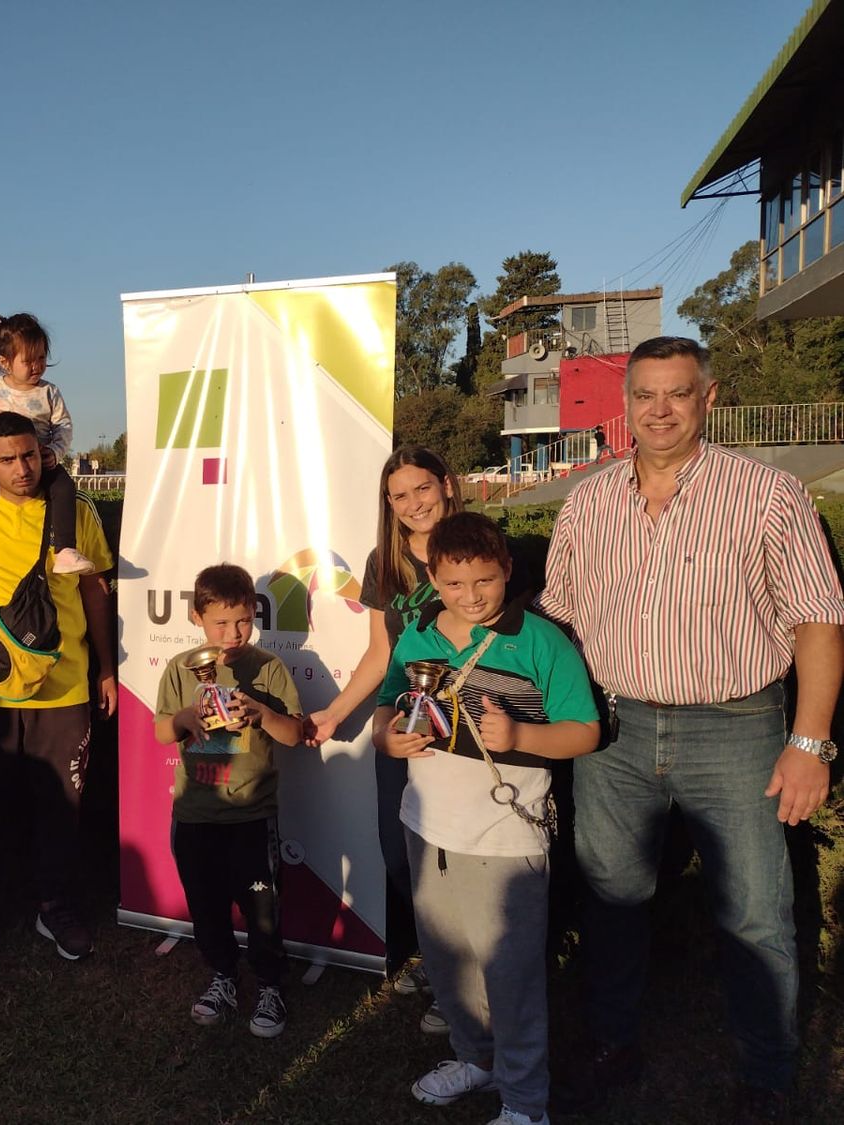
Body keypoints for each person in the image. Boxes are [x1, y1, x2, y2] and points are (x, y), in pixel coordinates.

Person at [537, 336, 844, 1124]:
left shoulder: (768, 494)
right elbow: (559, 623)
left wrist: (808, 744)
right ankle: (613, 1042)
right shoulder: (587, 501)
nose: (660, 410)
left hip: (737, 728)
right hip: (615, 730)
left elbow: (818, 621)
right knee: (611, 896)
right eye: (645, 395)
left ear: (708, 397)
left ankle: (768, 1072)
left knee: (754, 909)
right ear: (626, 404)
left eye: (678, 393)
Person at [374, 512, 599, 1125]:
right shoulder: (417, 634)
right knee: (448, 962)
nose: (470, 598)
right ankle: (476, 1058)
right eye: (453, 585)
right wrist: (388, 738)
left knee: (512, 976)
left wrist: (522, 733)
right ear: (432, 577)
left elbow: (585, 731)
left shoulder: (543, 641)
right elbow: (386, 706)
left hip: (505, 837)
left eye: (485, 582)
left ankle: (527, 1103)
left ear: (507, 572)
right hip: (426, 827)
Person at [0, 411, 117, 973]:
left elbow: (94, 594)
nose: (23, 469)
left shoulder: (77, 512)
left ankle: (55, 905)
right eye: (8, 460)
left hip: (64, 690)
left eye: (30, 456)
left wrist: (105, 667)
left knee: (61, 809)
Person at [306, 446, 464, 1030]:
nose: (413, 504)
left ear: (446, 485)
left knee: (463, 859)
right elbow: (382, 652)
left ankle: (465, 980)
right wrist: (335, 714)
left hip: (465, 728)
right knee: (400, 855)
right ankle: (436, 956)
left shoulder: (476, 542)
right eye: (399, 496)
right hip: (400, 725)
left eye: (422, 488)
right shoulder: (385, 561)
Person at [153, 564, 303, 1038]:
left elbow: (295, 735)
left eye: (243, 620)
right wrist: (184, 717)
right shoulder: (181, 668)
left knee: (262, 909)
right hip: (195, 814)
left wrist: (260, 713)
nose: (234, 633)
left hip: (251, 814)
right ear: (197, 617)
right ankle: (222, 975)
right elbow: (160, 732)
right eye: (221, 622)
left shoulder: (269, 667)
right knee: (207, 906)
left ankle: (270, 984)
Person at [0, 312, 93, 582]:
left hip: (41, 462)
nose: (37, 366)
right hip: (2, 464)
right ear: (5, 362)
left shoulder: (50, 392)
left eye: (41, 358)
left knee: (64, 487)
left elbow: (64, 426)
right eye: (29, 360)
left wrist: (55, 452)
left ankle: (65, 550)